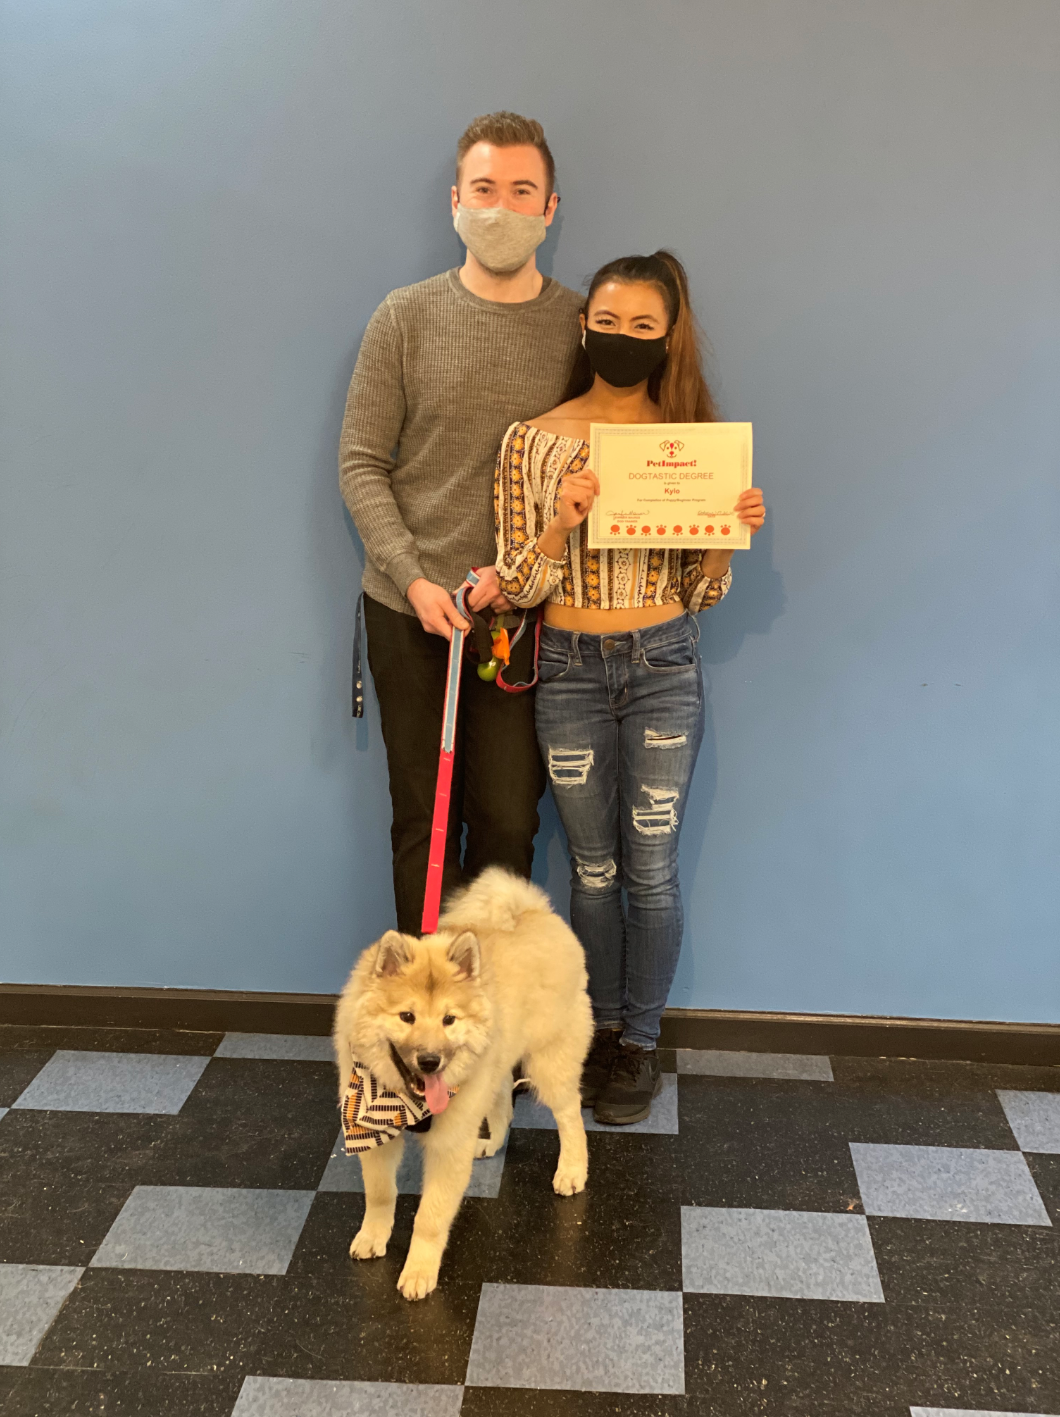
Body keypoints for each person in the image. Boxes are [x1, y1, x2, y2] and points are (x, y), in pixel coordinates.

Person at [494, 251, 766, 1124]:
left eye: (643, 326)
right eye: (607, 322)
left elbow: (700, 595)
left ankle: (640, 1042)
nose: (622, 338)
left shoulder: (688, 444)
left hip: (661, 666)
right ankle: (598, 1029)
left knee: (649, 868)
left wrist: (727, 536)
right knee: (592, 868)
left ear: (669, 337)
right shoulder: (532, 440)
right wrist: (556, 525)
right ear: (584, 326)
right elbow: (516, 585)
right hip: (567, 669)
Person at [340, 113, 583, 934]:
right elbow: (361, 463)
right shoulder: (402, 318)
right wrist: (412, 578)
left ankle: (494, 1024)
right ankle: (424, 1034)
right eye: (485, 190)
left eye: (522, 192)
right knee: (424, 822)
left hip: (522, 619)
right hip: (410, 611)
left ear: (551, 209)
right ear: (455, 201)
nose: (501, 208)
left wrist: (712, 502)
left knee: (510, 821)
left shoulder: (582, 327)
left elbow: (631, 443)